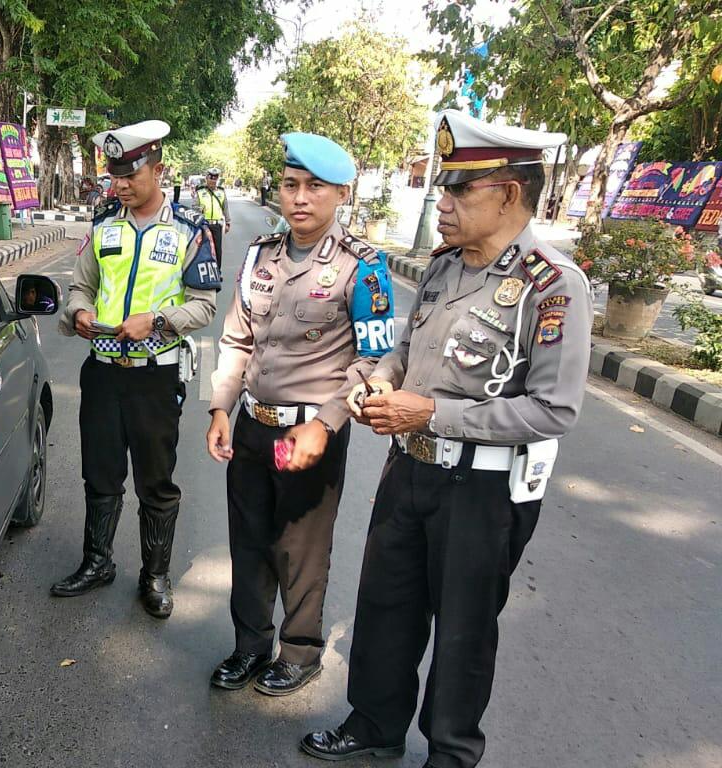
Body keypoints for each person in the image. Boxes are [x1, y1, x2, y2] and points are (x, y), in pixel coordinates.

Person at [302, 110, 592, 768]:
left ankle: (451, 753)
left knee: (463, 632)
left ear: (509, 194)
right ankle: (374, 727)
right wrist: (374, 383)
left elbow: (552, 411)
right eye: (444, 188)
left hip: (483, 489)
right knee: (384, 606)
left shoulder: (552, 287)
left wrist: (428, 413)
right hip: (409, 471)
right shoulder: (442, 268)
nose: (444, 203)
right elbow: (403, 352)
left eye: (461, 191)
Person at [206, 133, 395, 695]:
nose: (300, 197)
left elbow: (375, 357)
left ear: (341, 194)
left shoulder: (364, 268)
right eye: (291, 184)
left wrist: (327, 422)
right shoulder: (259, 255)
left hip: (310, 430)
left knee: (301, 549)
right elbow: (237, 338)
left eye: (315, 187)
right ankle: (249, 646)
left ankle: (301, 650)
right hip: (251, 425)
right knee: (250, 539)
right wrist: (220, 406)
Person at [51, 119, 222, 618]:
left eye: (130, 174)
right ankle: (97, 562)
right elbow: (81, 285)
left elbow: (205, 306)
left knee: (155, 480)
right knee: (99, 473)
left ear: (158, 169)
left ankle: (155, 575)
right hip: (103, 373)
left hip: (154, 376)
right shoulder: (104, 224)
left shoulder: (191, 230)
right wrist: (78, 313)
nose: (120, 185)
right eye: (114, 176)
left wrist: (160, 320)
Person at [195, 167, 231, 268]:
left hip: (216, 225)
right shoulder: (200, 192)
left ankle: (217, 271)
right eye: (211, 178)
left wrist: (228, 222)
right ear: (207, 178)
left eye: (215, 179)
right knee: (203, 249)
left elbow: (225, 208)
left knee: (218, 250)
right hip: (203, 225)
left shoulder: (221, 193)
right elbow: (194, 208)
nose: (212, 181)